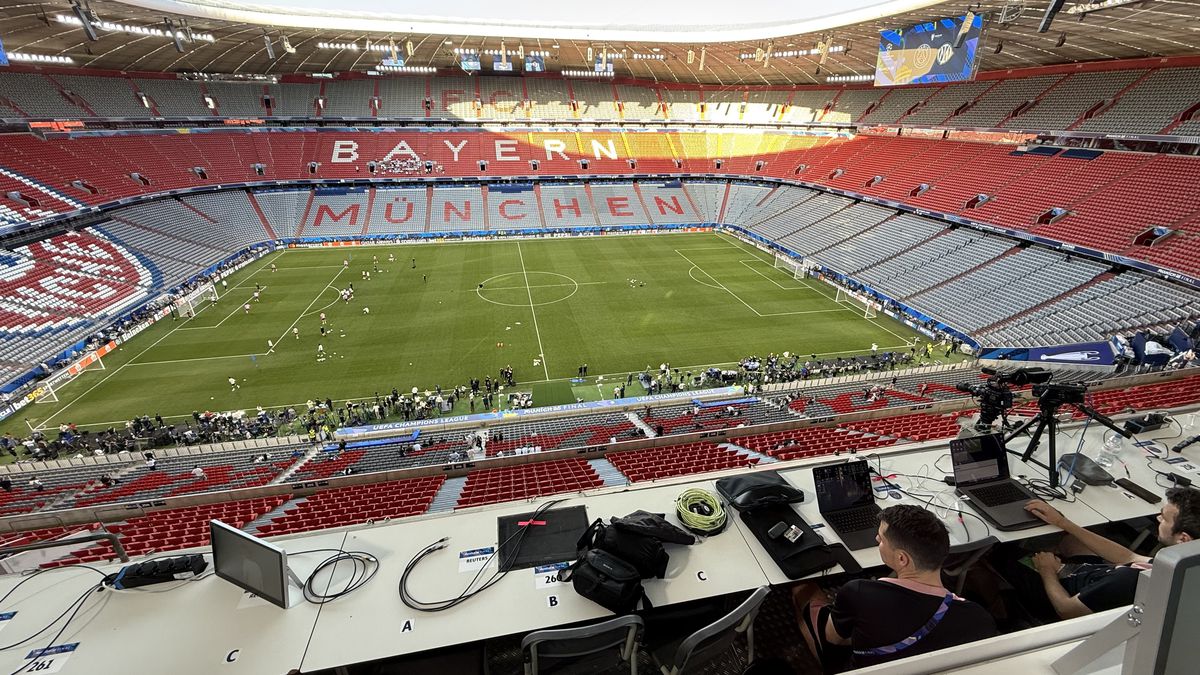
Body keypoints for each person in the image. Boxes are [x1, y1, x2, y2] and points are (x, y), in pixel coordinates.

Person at [795, 505, 997, 671]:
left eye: (881, 538)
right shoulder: (979, 619)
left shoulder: (859, 592)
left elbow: (833, 639)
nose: (876, 540)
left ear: (902, 558)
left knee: (802, 590)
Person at [1003, 493, 1199, 620]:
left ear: (1183, 538)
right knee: (1072, 541)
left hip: (1063, 593)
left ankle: (998, 610)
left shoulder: (1128, 581)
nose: (1158, 518)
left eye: (1164, 518)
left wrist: (1047, 571)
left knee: (999, 556)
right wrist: (1063, 522)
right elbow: (1128, 556)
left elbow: (1066, 609)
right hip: (1096, 576)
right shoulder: (1179, 566)